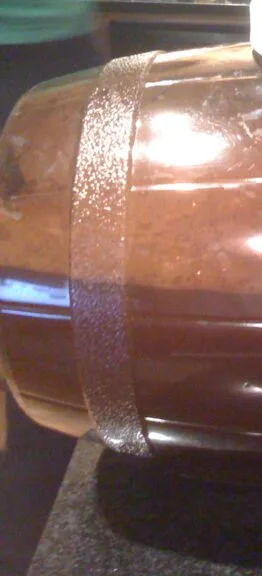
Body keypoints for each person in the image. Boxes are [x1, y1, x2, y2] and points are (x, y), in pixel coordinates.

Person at [0, 2, 107, 573]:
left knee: (44, 297)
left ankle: (32, 526)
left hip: (65, 52)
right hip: (48, 54)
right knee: (42, 296)